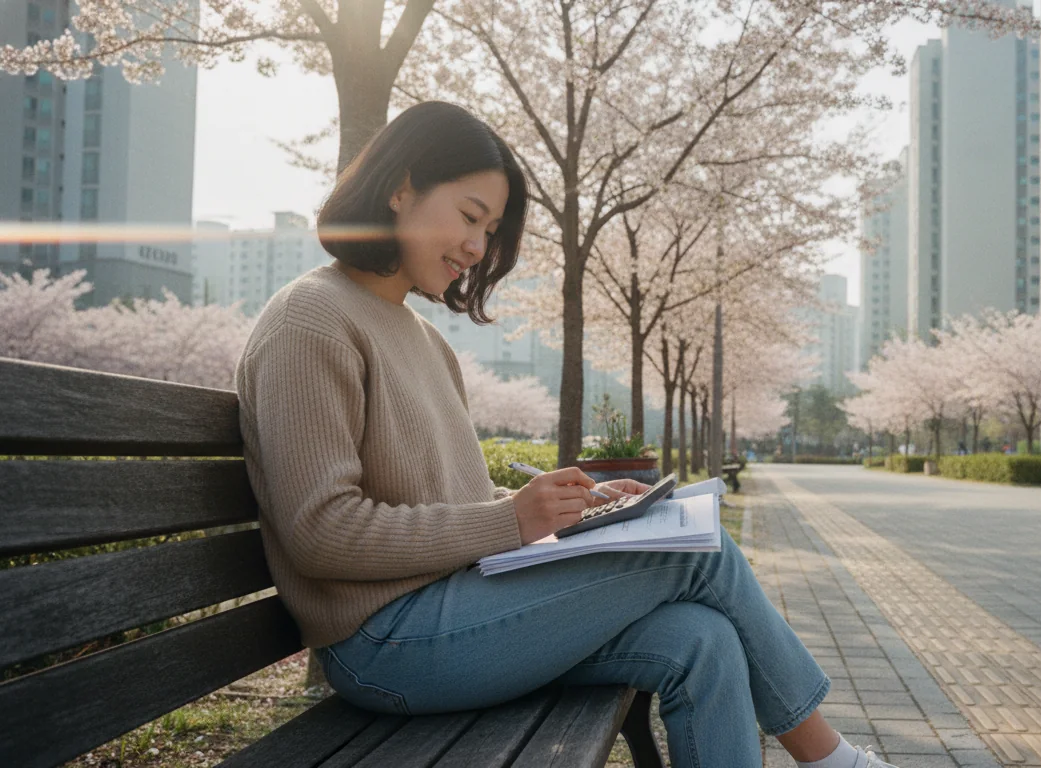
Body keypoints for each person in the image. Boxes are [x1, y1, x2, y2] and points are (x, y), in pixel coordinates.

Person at [234, 102, 896, 768]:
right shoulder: (311, 320)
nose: (477, 248)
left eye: (490, 231)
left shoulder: (425, 339)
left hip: (453, 610)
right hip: (384, 644)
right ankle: (828, 758)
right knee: (696, 549)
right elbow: (320, 531)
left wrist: (580, 510)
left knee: (703, 638)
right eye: (469, 216)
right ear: (400, 189)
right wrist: (510, 521)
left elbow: (456, 501)